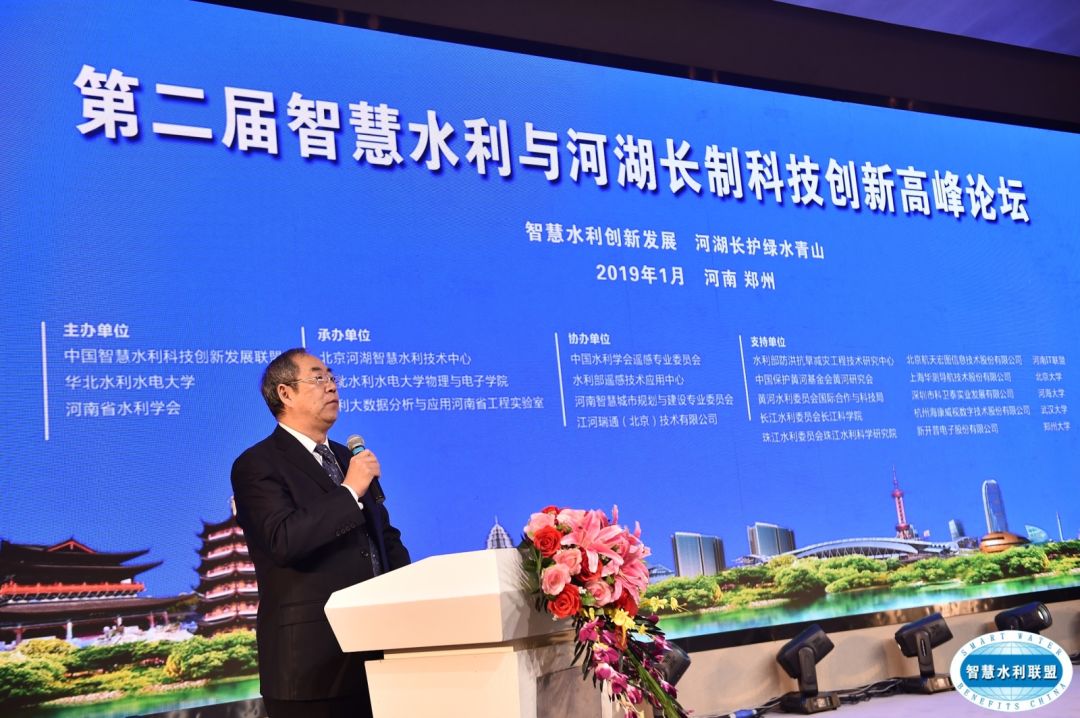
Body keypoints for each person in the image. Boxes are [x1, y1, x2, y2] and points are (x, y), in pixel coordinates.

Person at [231, 348, 410, 718]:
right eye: (318, 378)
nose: (331, 386)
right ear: (285, 393)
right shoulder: (257, 464)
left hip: (378, 656)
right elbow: (283, 540)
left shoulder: (347, 458)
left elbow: (383, 540)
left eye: (332, 377)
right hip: (311, 668)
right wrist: (349, 491)